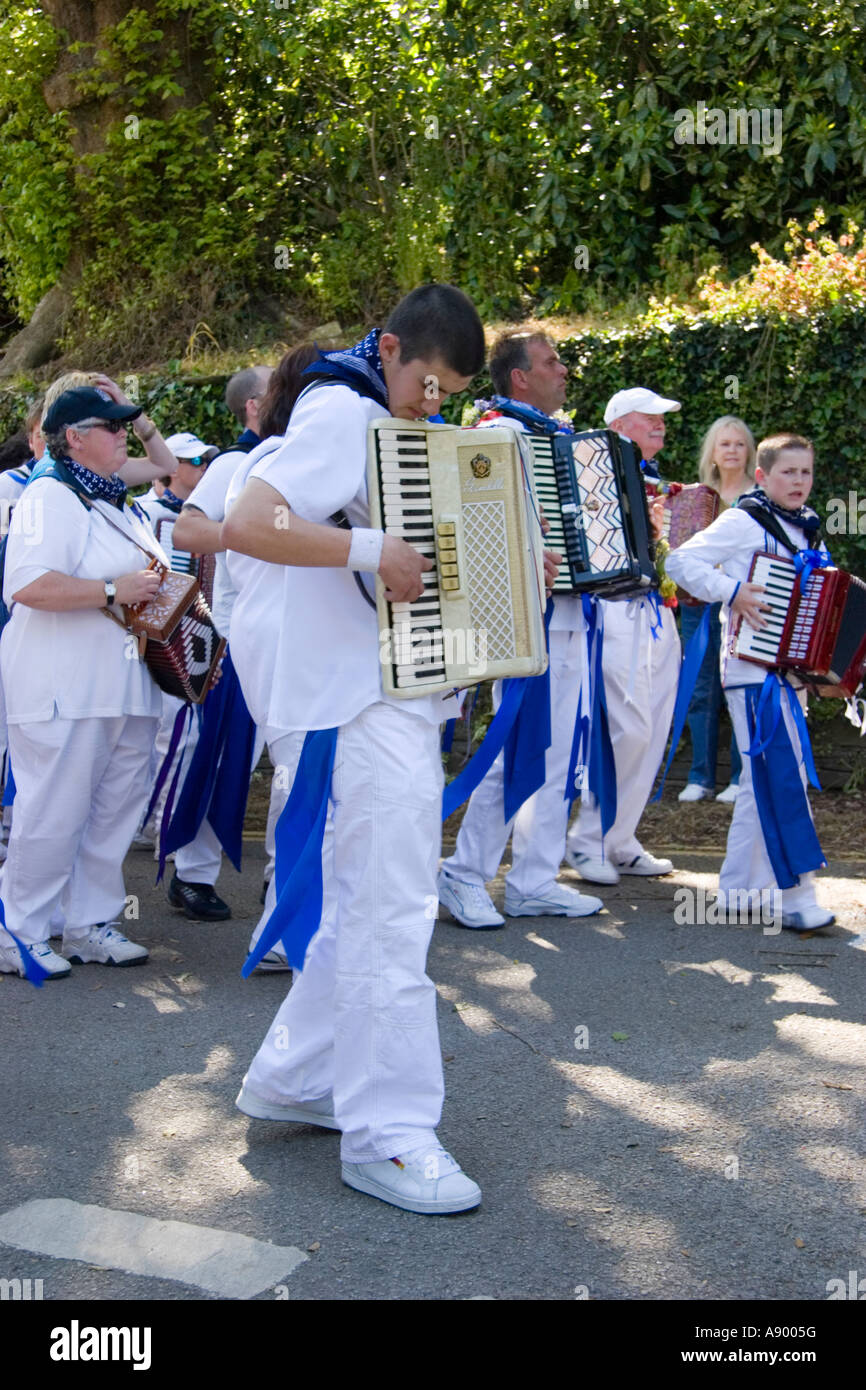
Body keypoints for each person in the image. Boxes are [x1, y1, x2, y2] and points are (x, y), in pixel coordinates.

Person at [222, 284, 486, 1214]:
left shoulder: (365, 411)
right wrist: (372, 549)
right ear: (388, 349)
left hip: (367, 694)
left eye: (447, 392)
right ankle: (389, 1136)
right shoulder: (342, 408)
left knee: (365, 897)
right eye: (427, 382)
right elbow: (249, 524)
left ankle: (303, 1077)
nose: (433, 404)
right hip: (346, 701)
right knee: (391, 902)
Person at [437, 330, 603, 927]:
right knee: (515, 744)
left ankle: (534, 879)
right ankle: (464, 873)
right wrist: (524, 556)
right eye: (551, 362)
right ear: (519, 378)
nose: (564, 370)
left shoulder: (560, 440)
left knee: (560, 749)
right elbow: (465, 519)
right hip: (520, 618)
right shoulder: (495, 432)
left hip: (568, 612)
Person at [0, 386, 164, 980]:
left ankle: (90, 922)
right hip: (63, 686)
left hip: (122, 686)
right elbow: (27, 585)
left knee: (113, 812)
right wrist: (114, 590)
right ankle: (19, 931)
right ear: (74, 437)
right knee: (53, 812)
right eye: (111, 426)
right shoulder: (51, 493)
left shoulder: (117, 501)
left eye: (126, 426)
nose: (124, 433)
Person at [171, 345, 320, 953]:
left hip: (295, 635)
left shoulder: (314, 458)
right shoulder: (236, 462)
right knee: (227, 758)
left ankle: (279, 890)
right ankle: (193, 875)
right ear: (258, 405)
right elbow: (187, 529)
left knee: (286, 767)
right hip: (241, 635)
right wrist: (251, 533)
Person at [666, 434, 834, 933]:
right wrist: (732, 592)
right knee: (783, 778)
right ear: (762, 477)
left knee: (761, 783)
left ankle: (739, 890)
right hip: (750, 671)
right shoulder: (744, 520)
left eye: (805, 473)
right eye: (788, 472)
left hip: (789, 674)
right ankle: (796, 895)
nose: (798, 482)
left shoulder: (809, 531)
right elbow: (680, 562)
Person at [565, 387, 682, 885]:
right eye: (649, 416)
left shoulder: (659, 483)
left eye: (662, 418)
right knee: (622, 731)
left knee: (653, 729)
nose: (660, 423)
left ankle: (621, 838)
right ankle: (585, 840)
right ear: (618, 425)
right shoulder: (591, 470)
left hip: (657, 609)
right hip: (612, 611)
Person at [137, 433, 231, 922]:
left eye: (205, 460)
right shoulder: (146, 513)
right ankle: (157, 827)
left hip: (208, 643)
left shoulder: (215, 514)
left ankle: (169, 837)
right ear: (171, 469)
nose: (202, 467)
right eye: (194, 461)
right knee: (164, 742)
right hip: (162, 646)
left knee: (189, 745)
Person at [678, 416, 756, 804]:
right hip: (698, 607)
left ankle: (742, 779)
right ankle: (700, 777)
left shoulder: (761, 497)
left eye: (739, 444)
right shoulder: (695, 497)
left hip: (744, 609)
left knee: (741, 690)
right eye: (724, 444)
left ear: (750, 452)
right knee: (699, 690)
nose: (731, 451)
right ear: (712, 451)